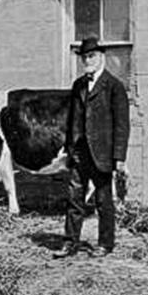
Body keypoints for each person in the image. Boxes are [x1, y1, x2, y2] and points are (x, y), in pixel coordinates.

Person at [52, 36, 130, 258]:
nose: (87, 60)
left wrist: (119, 157)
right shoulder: (78, 86)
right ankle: (70, 243)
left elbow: (122, 125)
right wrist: (69, 149)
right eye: (85, 56)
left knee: (103, 201)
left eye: (92, 56)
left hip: (103, 154)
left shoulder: (114, 86)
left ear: (101, 57)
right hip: (79, 153)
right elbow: (72, 121)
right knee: (74, 198)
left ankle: (105, 243)